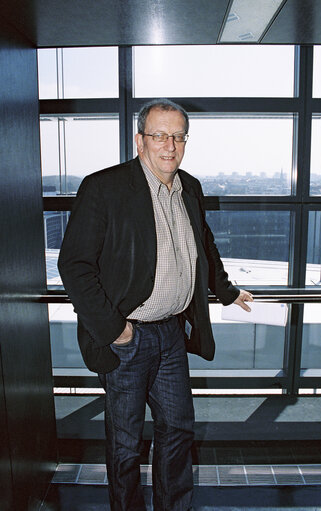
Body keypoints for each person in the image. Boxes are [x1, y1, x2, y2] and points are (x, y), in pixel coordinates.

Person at [58, 99, 253, 511]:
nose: (170, 145)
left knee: (178, 430)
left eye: (179, 136)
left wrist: (227, 290)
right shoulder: (104, 187)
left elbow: (204, 247)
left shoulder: (190, 187)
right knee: (126, 444)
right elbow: (74, 266)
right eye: (160, 135)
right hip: (126, 338)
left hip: (171, 334)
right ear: (139, 140)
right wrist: (117, 330)